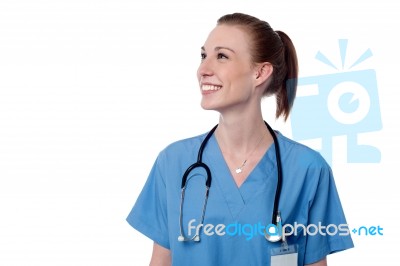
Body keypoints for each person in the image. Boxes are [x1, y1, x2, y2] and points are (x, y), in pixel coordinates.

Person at [126, 12, 354, 266]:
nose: (203, 69)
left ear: (260, 73)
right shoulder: (173, 162)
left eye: (221, 56)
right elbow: (161, 261)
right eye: (204, 56)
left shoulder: (308, 169)